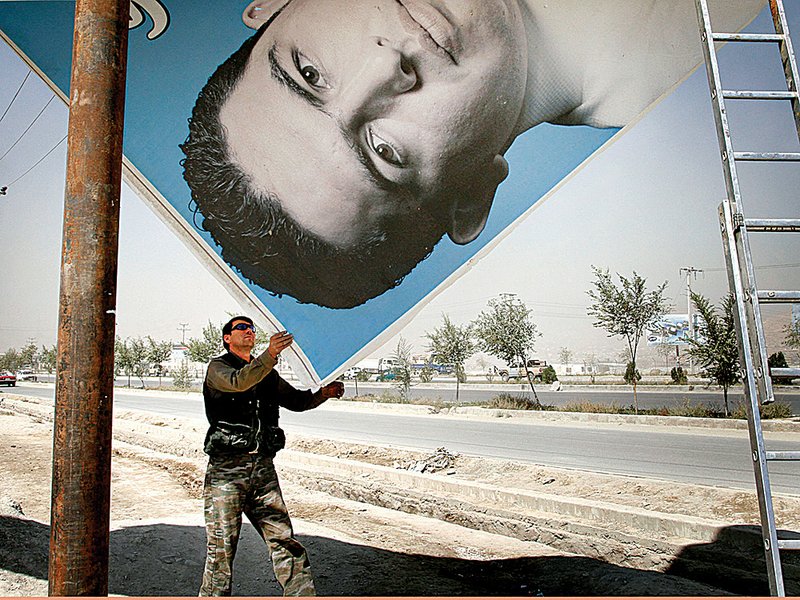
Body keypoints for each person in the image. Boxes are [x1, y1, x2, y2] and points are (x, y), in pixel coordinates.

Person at [181, 0, 763, 309]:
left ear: (274, 5)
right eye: (383, 150)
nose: (383, 70)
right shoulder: (733, 34)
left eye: (309, 72)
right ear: (470, 200)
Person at [199, 315, 344, 596]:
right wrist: (270, 354)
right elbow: (239, 382)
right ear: (227, 338)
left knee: (284, 541)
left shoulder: (266, 372)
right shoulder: (218, 368)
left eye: (251, 328)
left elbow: (297, 401)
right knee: (221, 548)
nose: (249, 331)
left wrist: (323, 393)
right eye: (241, 328)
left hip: (262, 468)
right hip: (227, 471)